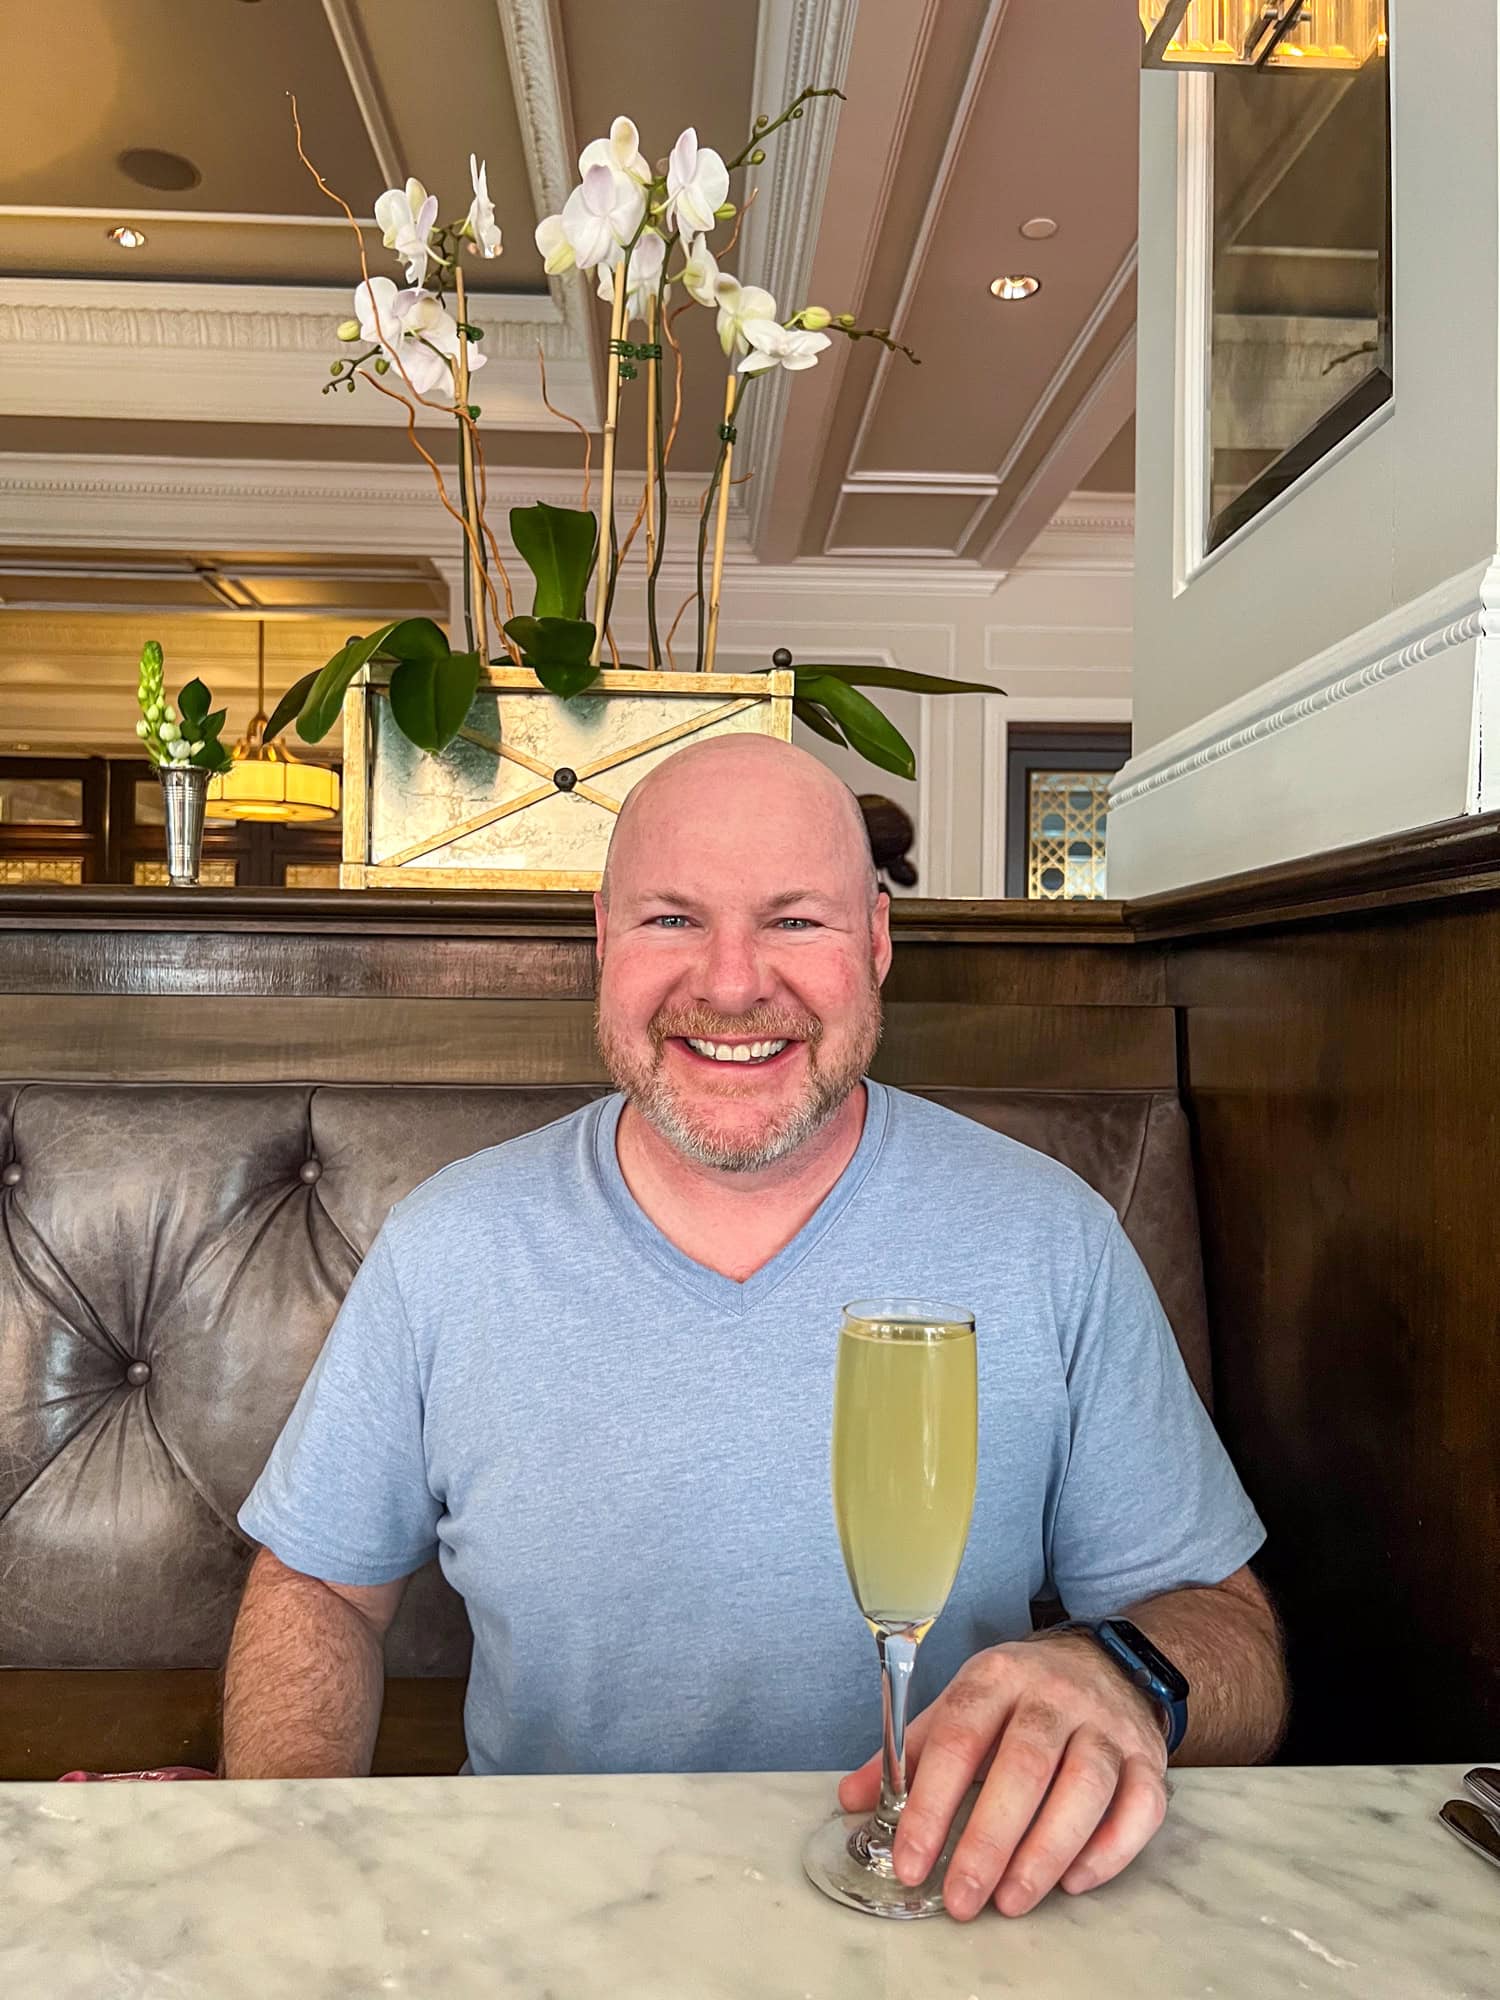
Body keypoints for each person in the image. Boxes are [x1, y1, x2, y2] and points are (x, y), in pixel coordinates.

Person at [224, 735, 1287, 1922]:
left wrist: (1121, 1672)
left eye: (795, 922)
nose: (731, 985)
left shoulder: (1052, 1238)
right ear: (602, 940)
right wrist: (284, 1865)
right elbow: (315, 1587)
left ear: (877, 941)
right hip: (533, 1912)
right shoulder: (450, 1244)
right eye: (672, 920)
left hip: (946, 1913)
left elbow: (1229, 1631)